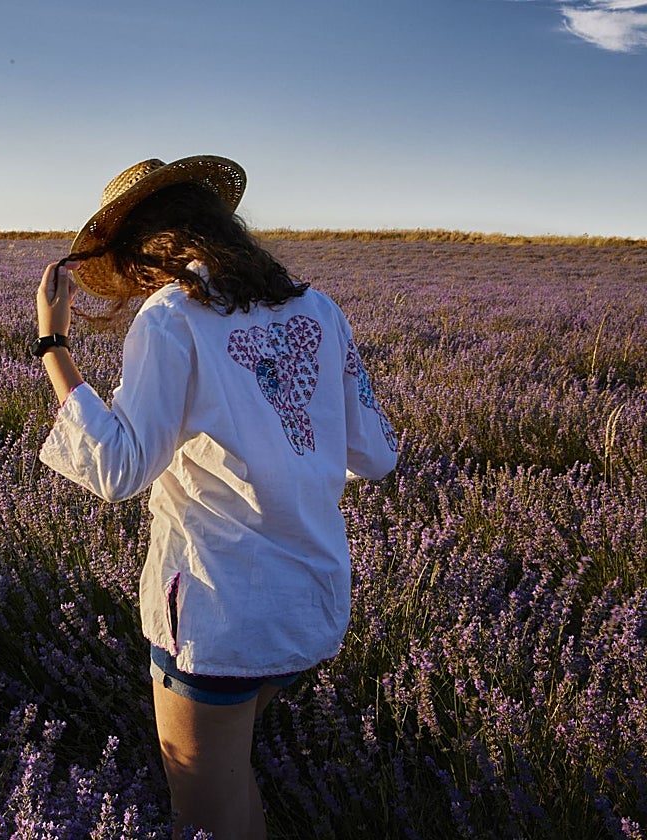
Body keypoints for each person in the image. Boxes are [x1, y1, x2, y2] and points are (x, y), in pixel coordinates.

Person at [31, 156, 398, 839]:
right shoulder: (317, 308)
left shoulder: (172, 317)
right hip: (310, 597)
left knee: (208, 816)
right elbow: (375, 453)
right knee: (233, 781)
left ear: (146, 252)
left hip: (217, 612)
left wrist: (53, 343)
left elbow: (118, 469)